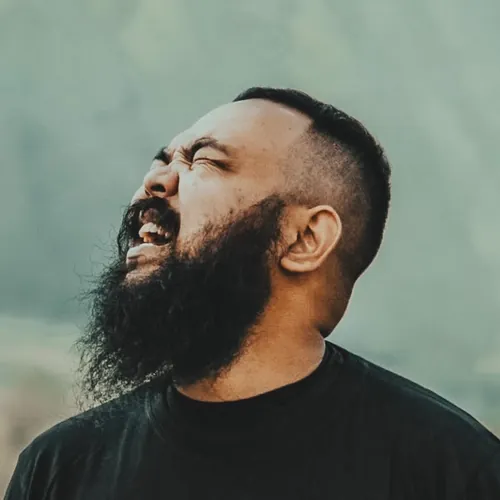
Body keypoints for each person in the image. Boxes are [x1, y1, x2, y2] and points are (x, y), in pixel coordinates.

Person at [5, 87, 500, 500]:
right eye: (161, 162)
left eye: (204, 161)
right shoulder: (59, 470)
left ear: (304, 239)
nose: (153, 182)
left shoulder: (452, 473)